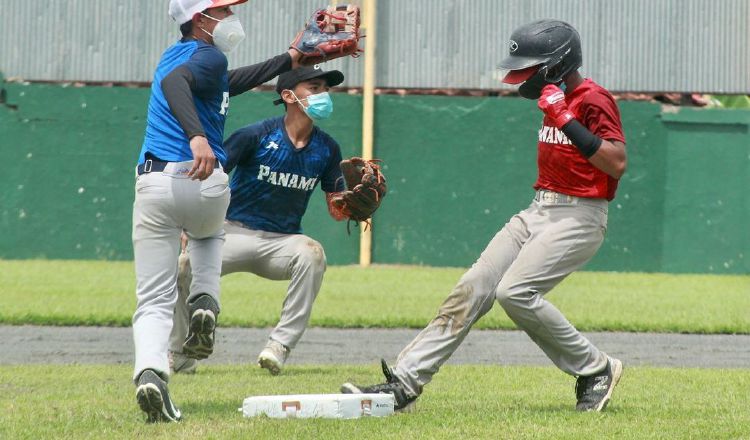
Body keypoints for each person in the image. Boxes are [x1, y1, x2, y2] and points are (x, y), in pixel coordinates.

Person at [341, 19, 627, 413]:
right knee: (473, 286)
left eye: (531, 66)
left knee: (516, 292)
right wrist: (560, 113)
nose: (521, 75)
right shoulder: (553, 96)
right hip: (539, 208)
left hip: (580, 215)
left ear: (557, 64)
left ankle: (596, 369)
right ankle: (403, 384)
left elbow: (616, 163)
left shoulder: (592, 98)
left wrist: (567, 120)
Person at [132, 0, 305, 423]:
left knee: (153, 298)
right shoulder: (205, 54)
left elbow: (228, 82)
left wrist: (291, 59)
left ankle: (151, 374)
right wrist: (197, 137)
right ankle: (205, 299)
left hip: (153, 183)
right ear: (201, 20)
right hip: (203, 177)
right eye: (222, 11)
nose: (230, 18)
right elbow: (178, 85)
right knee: (209, 234)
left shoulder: (180, 55)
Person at [168, 65, 349, 377]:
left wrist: (356, 202)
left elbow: (337, 208)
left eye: (326, 89)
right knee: (183, 265)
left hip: (282, 242)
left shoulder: (328, 148)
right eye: (315, 87)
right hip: (231, 232)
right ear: (288, 95)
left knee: (313, 253)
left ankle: (278, 346)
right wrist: (190, 222)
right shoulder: (256, 135)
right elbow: (209, 175)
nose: (324, 95)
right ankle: (181, 354)